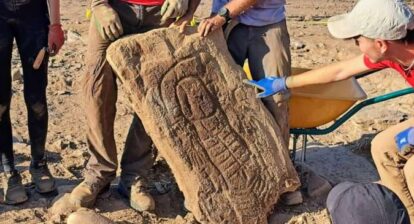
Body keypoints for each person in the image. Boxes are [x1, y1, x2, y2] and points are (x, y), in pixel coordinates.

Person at [244, 0, 414, 221]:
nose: (355, 44)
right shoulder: (395, 51)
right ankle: (404, 215)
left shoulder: (393, 49)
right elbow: (339, 71)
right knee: (382, 147)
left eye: (357, 39)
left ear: (381, 44)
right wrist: (284, 82)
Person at [60, 0, 200, 212]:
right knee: (96, 91)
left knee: (155, 95)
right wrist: (98, 5)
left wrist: (189, 7)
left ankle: (135, 176)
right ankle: (99, 172)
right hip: (115, 9)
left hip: (163, 13)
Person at [197, 0, 303, 205]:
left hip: (267, 24)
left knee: (276, 100)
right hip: (227, 24)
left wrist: (222, 15)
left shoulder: (226, 14)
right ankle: (231, 176)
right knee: (221, 98)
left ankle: (283, 180)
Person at [0, 0, 64, 204]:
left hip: (33, 15)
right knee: (0, 104)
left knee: (37, 101)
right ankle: (9, 170)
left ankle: (38, 163)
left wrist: (55, 25)